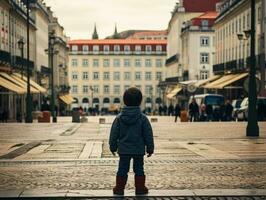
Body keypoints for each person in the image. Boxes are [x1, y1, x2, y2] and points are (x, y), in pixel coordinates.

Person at [109, 87, 154, 195]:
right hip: (138, 149)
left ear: (125, 100)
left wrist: (113, 146)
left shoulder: (119, 118)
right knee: (139, 169)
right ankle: (140, 188)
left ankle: (119, 188)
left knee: (122, 169)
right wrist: (150, 148)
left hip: (124, 150)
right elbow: (148, 134)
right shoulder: (143, 118)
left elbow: (114, 134)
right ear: (140, 101)